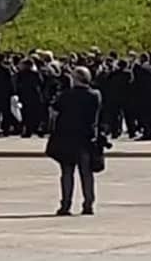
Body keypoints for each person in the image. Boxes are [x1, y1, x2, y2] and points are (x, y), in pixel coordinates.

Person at [46, 66, 102, 216]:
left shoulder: (66, 95)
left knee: (67, 173)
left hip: (67, 137)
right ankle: (88, 204)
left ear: (75, 79)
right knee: (86, 173)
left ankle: (66, 204)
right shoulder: (95, 95)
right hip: (86, 138)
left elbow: (54, 110)